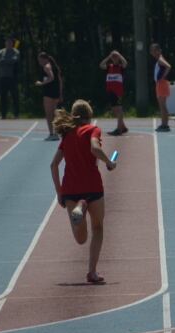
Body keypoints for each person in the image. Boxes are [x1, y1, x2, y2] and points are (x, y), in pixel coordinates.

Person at [49, 100, 116, 284]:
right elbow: (95, 148)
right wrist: (109, 162)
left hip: (70, 189)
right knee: (98, 228)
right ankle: (92, 272)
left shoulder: (67, 135)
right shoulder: (92, 130)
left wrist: (59, 192)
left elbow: (53, 165)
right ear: (89, 116)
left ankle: (80, 205)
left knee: (81, 239)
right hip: (93, 187)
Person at [99, 50, 129, 136]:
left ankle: (119, 129)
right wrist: (109, 56)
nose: (114, 58)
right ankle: (123, 127)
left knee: (119, 109)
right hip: (110, 91)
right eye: (113, 57)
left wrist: (119, 55)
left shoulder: (120, 67)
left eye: (116, 57)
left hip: (118, 92)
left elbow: (125, 63)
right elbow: (101, 65)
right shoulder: (109, 67)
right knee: (114, 109)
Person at [35, 52, 63, 141]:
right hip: (56, 92)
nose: (39, 62)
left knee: (49, 114)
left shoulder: (46, 66)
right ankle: (56, 132)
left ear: (45, 59)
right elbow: (60, 81)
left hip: (49, 93)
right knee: (54, 114)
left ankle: (52, 134)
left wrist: (41, 83)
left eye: (40, 60)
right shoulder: (55, 66)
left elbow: (51, 77)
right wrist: (60, 93)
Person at [0, 37, 20, 119]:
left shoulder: (15, 52)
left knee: (14, 96)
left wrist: (4, 61)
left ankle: (16, 114)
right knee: (3, 97)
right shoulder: (0, 52)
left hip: (12, 77)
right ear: (5, 43)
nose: (8, 44)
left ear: (12, 43)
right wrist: (7, 61)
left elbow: (15, 60)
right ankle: (3, 114)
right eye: (7, 42)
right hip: (2, 77)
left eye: (10, 42)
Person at [150, 43, 172, 132]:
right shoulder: (158, 59)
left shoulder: (160, 59)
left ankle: (165, 124)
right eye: (152, 50)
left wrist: (163, 77)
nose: (154, 52)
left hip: (161, 83)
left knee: (162, 106)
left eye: (155, 50)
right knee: (162, 105)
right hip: (160, 84)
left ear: (159, 50)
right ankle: (164, 123)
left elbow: (168, 66)